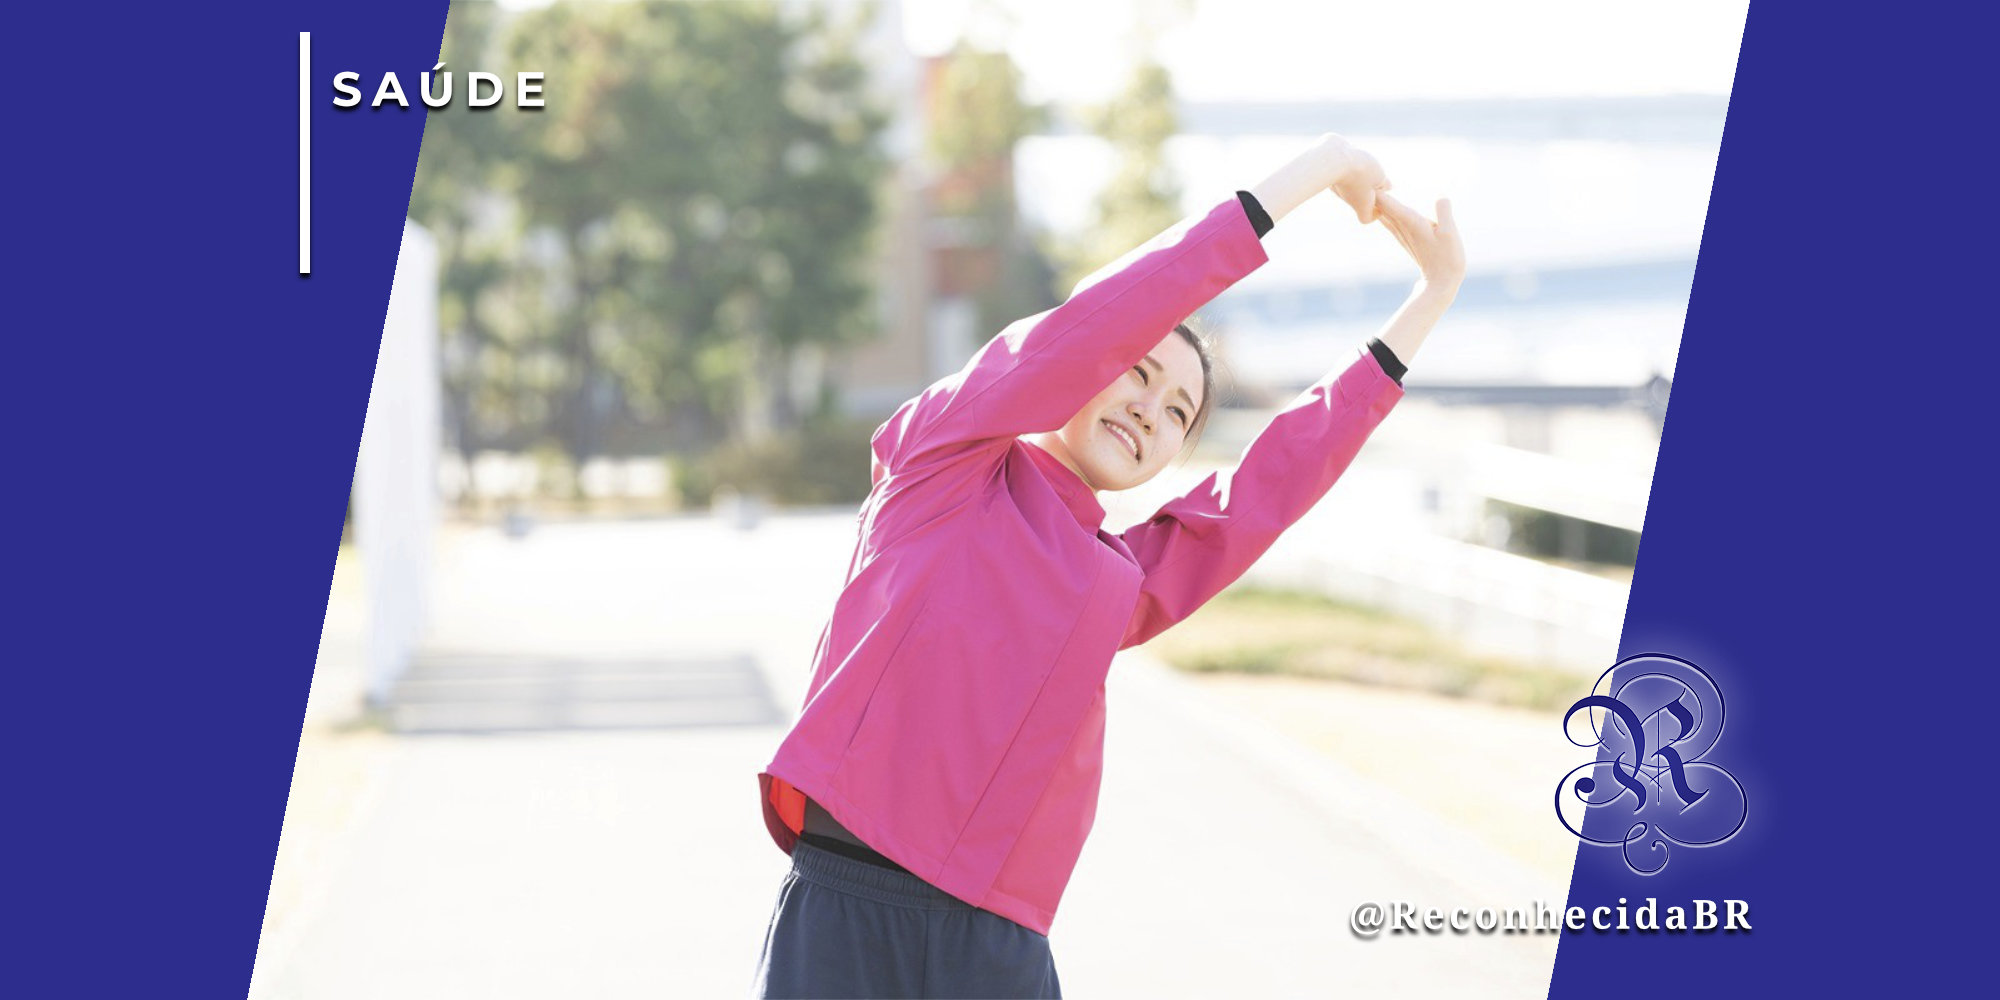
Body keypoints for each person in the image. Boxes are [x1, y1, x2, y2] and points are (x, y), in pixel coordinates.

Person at [751, 132, 1466, 999]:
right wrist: (1319, 170)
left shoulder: (1114, 582)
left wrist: (1431, 297)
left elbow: (1266, 492)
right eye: (1137, 371)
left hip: (996, 943)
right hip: (847, 904)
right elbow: (1108, 312)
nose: (1150, 409)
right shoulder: (942, 458)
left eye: (1178, 412)